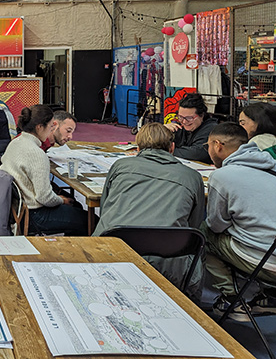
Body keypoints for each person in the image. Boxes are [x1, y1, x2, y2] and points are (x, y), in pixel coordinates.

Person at [92, 123, 205, 301]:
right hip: (169, 261)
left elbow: (106, 207)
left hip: (113, 251)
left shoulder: (121, 166)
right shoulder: (191, 176)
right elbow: (195, 223)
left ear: (137, 148)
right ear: (172, 147)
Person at [202, 122, 276, 321]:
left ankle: (232, 299)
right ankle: (270, 296)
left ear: (217, 145)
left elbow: (216, 225)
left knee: (203, 232)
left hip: (265, 262)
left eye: (207, 146)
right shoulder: (271, 167)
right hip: (270, 252)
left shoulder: (222, 176)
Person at [0, 104, 87, 236]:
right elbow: (44, 198)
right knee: (89, 220)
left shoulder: (16, 143)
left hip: (17, 209)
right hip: (34, 215)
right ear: (40, 127)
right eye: (51, 126)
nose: (52, 129)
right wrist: (61, 200)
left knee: (75, 210)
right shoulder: (37, 153)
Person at [164, 93, 218, 164]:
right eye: (180, 117)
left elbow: (196, 153)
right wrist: (162, 131)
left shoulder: (211, 128)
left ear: (201, 115)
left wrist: (168, 150)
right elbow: (153, 144)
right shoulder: (179, 125)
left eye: (189, 118)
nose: (184, 121)